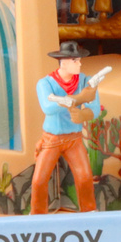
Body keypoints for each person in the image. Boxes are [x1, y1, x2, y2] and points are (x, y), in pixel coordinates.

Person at [30, 41, 105, 215]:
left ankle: (89, 214)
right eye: (75, 60)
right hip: (51, 140)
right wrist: (77, 99)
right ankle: (37, 217)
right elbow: (47, 108)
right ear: (63, 62)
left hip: (74, 139)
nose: (79, 64)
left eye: (79, 60)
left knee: (85, 178)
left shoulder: (85, 81)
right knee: (39, 181)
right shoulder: (45, 83)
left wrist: (83, 115)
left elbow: (94, 108)